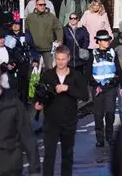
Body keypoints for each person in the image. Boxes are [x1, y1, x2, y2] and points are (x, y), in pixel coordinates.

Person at [0, 65, 40, 176]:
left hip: (9, 168)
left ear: (0, 81)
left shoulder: (14, 104)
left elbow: (27, 137)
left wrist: (35, 171)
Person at [35, 45, 89, 175]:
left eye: (63, 59)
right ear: (55, 58)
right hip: (51, 121)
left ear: (68, 59)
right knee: (49, 155)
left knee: (67, 155)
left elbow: (85, 96)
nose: (60, 62)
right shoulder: (48, 75)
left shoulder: (76, 75)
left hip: (69, 121)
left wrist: (67, 88)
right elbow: (40, 93)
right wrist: (39, 103)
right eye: (58, 59)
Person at [90, 30, 122, 147]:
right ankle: (99, 139)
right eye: (105, 40)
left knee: (110, 113)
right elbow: (87, 73)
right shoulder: (93, 54)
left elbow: (118, 69)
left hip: (110, 86)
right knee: (98, 114)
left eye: (108, 40)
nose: (107, 42)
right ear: (99, 42)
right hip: (98, 88)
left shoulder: (113, 52)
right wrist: (96, 85)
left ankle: (109, 136)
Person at [25, 0, 63, 69]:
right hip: (34, 49)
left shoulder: (51, 17)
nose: (42, 6)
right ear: (36, 6)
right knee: (34, 71)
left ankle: (48, 81)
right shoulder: (30, 17)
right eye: (40, 5)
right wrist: (28, 42)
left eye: (44, 5)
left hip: (48, 48)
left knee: (49, 68)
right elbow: (26, 31)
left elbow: (58, 28)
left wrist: (60, 40)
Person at [63, 12, 91, 83]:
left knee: (79, 78)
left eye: (74, 18)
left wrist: (83, 49)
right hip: (69, 58)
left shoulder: (82, 28)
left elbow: (86, 39)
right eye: (71, 18)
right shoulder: (65, 29)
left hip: (80, 58)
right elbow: (63, 42)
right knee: (69, 78)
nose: (72, 20)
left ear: (78, 19)